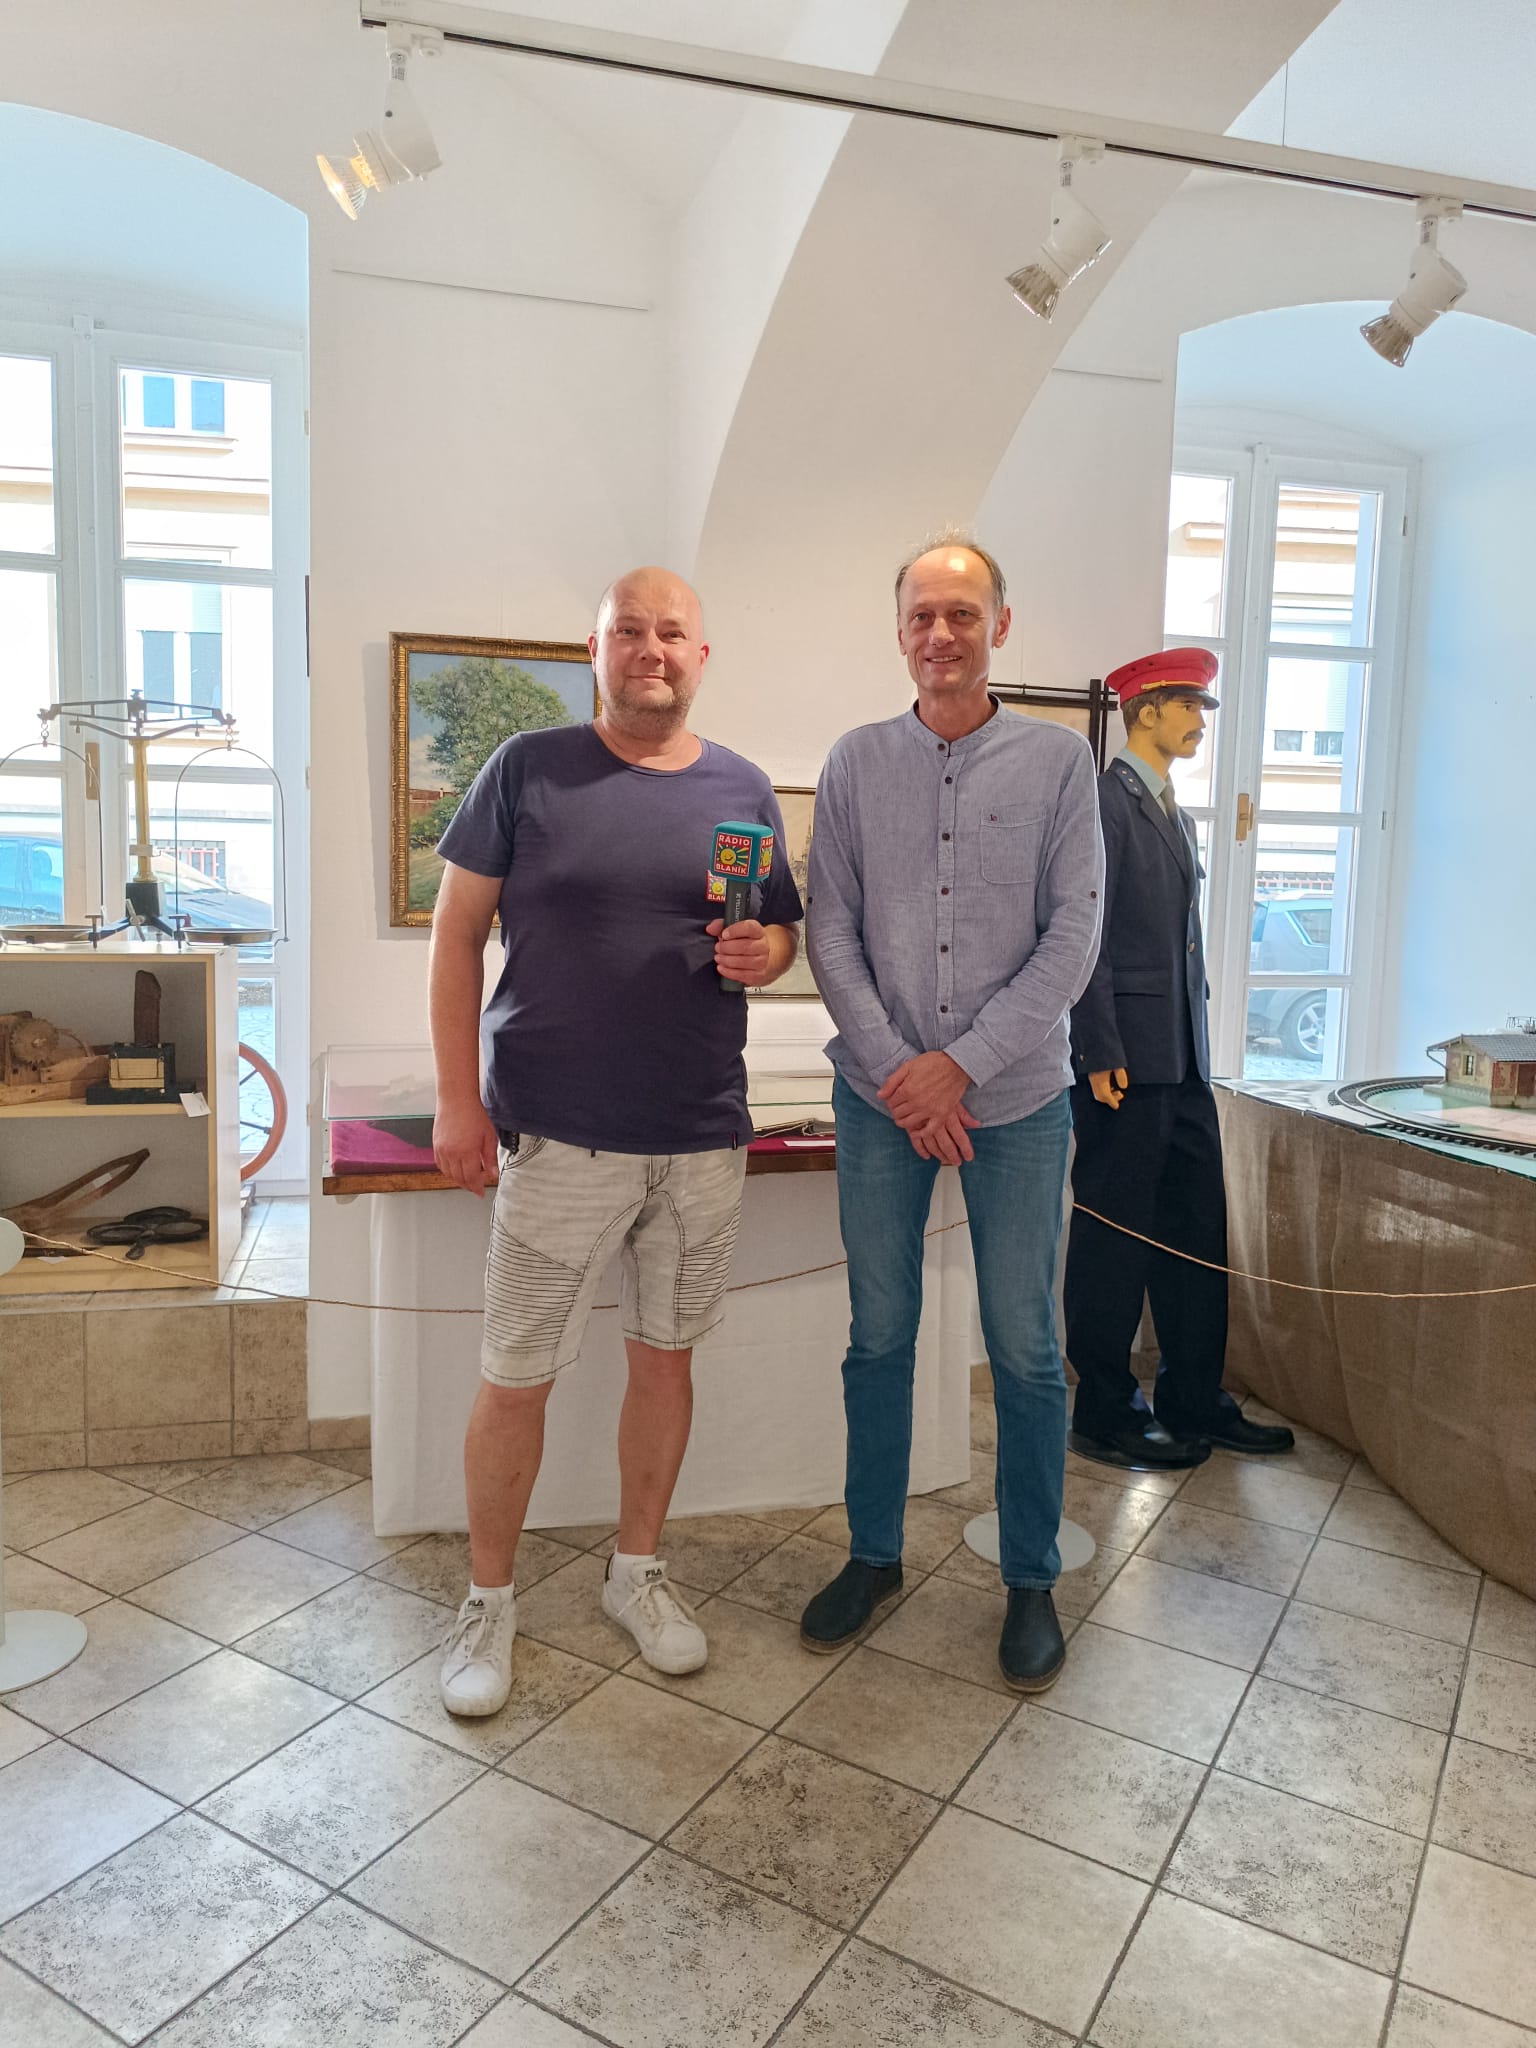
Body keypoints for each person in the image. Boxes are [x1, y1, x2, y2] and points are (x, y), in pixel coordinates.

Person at [429, 568, 804, 1716]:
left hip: (699, 1137)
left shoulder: (742, 787)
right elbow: (455, 936)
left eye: (671, 632)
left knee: (666, 1360)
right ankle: (489, 1598)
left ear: (702, 654)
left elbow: (776, 934)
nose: (651, 649)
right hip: (558, 1138)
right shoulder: (525, 769)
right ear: (593, 651)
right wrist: (457, 1100)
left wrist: (766, 955)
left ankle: (635, 1571)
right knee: (515, 1377)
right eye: (628, 631)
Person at [800, 535, 1104, 1693]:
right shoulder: (854, 762)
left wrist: (962, 1066)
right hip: (881, 1099)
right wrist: (903, 1071)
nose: (941, 633)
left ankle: (1030, 1575)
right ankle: (873, 1553)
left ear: (1000, 627)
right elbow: (830, 927)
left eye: (962, 614)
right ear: (900, 631)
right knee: (879, 1332)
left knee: (1024, 1343)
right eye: (923, 614)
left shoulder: (1060, 765)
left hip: (1018, 1100)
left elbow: (1072, 939)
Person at [1064, 647, 1294, 1469]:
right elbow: (1083, 935)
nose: (1200, 721)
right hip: (1123, 1065)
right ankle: (1103, 1411)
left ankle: (1193, 1398)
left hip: (1183, 1061)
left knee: (1196, 1238)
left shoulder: (1174, 814)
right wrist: (1097, 1045)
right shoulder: (1103, 804)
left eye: (1201, 707)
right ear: (1147, 709)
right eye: (1189, 705)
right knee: (1114, 1244)